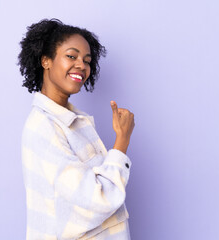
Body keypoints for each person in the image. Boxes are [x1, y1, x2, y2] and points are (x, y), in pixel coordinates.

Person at [18, 19, 135, 240]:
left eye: (87, 60)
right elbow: (97, 199)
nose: (82, 65)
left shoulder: (72, 121)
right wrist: (122, 142)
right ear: (46, 61)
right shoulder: (44, 127)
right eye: (71, 56)